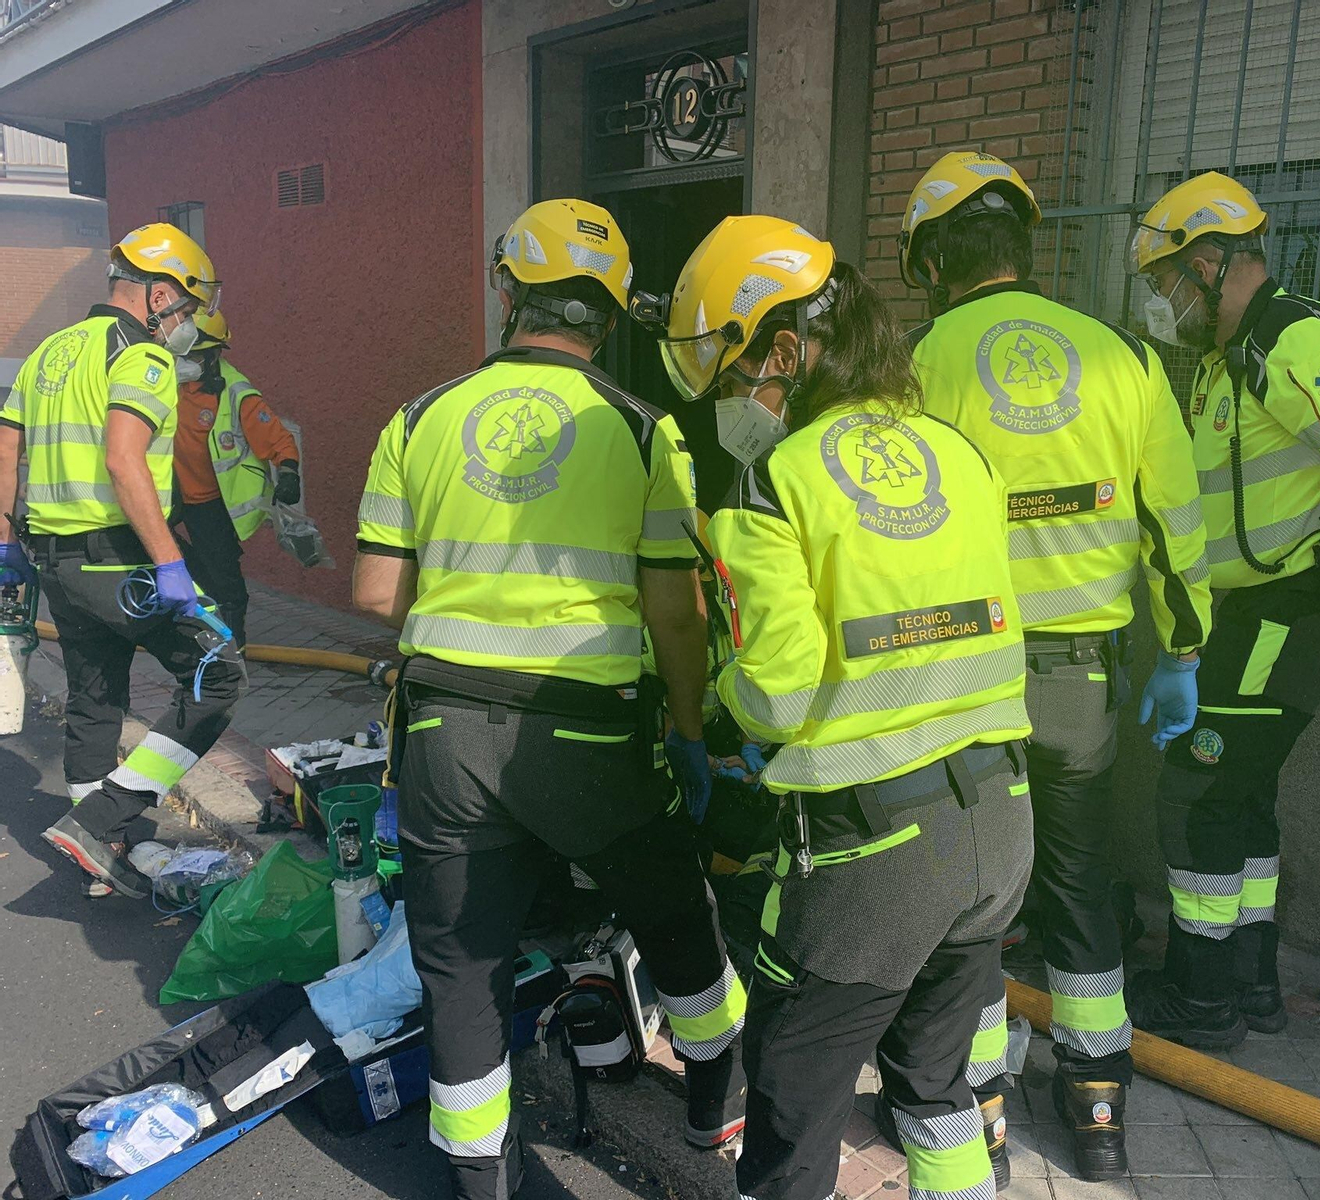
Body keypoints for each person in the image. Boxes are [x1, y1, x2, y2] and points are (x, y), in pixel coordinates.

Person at [352, 198, 747, 1200]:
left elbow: (376, 594)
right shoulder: (642, 429)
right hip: (589, 738)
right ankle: (714, 1098)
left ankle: (481, 1175)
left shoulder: (418, 418)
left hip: (443, 733)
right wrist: (689, 731)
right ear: (608, 317)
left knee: (462, 967)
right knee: (674, 910)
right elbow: (678, 614)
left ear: (507, 293)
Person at [648, 214, 1034, 1199]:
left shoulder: (771, 484)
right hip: (999, 826)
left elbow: (778, 692)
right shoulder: (959, 452)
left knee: (792, 1101)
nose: (734, 406)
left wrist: (715, 703)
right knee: (936, 1085)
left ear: (785, 352)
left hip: (869, 858)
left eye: (734, 380)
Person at [898, 149, 1212, 1179]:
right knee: (1080, 883)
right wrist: (1181, 649)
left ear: (933, 263)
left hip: (962, 682)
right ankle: (1097, 1103)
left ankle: (980, 1104)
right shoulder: (1124, 358)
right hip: (1083, 682)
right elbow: (1173, 521)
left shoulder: (918, 363)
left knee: (975, 901)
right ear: (1024, 248)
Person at [1125, 171, 1320, 1047]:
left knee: (1200, 791)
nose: (1162, 301)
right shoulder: (1226, 361)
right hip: (1248, 614)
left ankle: (1200, 996)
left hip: (1289, 607)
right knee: (1241, 796)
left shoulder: (1294, 339)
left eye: (1165, 280)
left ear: (1208, 263)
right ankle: (1250, 981)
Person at [0, 223, 243, 900]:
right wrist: (171, 565)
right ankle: (101, 819)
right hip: (118, 558)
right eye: (189, 308)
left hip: (55, 560)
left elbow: (6, 447)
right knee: (219, 676)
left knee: (95, 697)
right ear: (160, 295)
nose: (189, 324)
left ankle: (101, 850)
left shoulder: (48, 351)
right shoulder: (141, 357)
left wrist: (5, 545)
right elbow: (122, 459)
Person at [171, 309, 301, 645]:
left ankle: (231, 646)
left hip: (212, 504)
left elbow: (278, 438)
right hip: (174, 495)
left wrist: (288, 472)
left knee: (224, 580)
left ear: (213, 355)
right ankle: (198, 616)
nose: (184, 361)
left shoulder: (234, 392)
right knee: (153, 548)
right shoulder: (170, 384)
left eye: (192, 355)